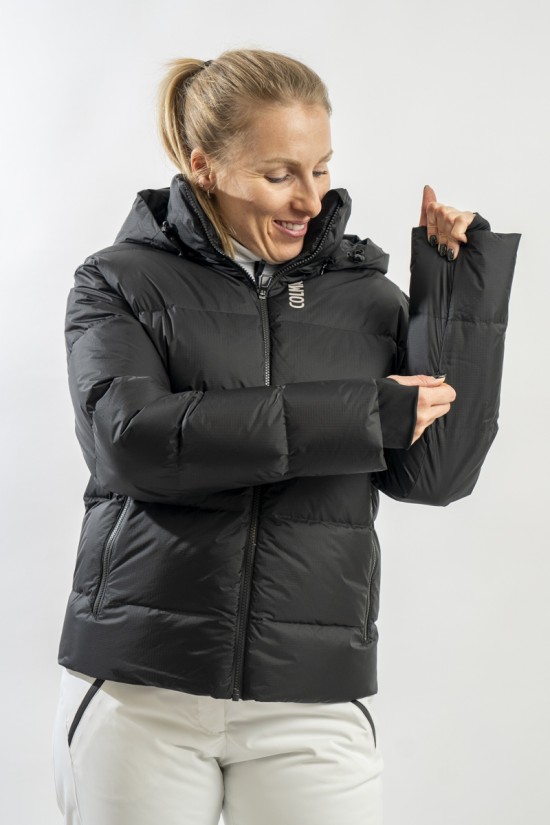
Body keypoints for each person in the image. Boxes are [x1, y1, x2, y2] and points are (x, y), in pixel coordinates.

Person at [51, 48, 520, 825]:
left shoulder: (369, 300)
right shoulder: (118, 280)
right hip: (142, 690)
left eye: (321, 169)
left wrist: (455, 300)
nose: (310, 197)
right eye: (279, 174)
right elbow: (134, 442)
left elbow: (436, 476)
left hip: (312, 697)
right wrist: (359, 413)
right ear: (204, 166)